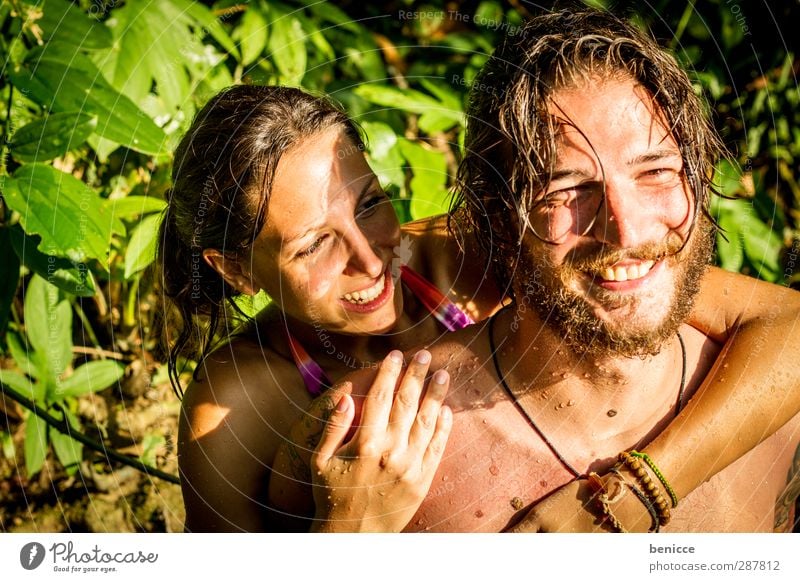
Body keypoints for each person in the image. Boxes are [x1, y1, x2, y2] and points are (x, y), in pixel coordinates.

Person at [267, 8, 800, 532]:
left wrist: (640, 491)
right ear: (497, 219)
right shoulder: (363, 438)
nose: (628, 231)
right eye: (566, 189)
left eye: (656, 172)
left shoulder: (776, 407)